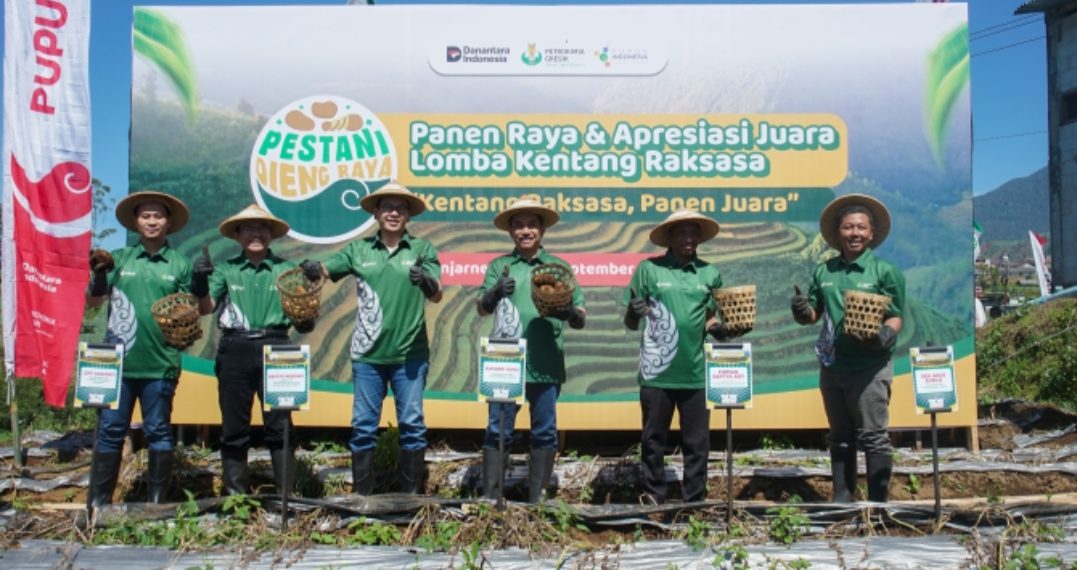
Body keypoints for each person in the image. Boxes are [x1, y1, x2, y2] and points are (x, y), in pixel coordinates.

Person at [301, 181, 441, 495]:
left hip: (410, 356)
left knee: (413, 428)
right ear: (376, 213)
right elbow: (326, 269)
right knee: (364, 428)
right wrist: (313, 268)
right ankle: (362, 500)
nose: (394, 213)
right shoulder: (358, 250)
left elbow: (438, 294)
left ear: (408, 216)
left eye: (401, 208)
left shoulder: (422, 249)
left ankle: (410, 500)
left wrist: (427, 281)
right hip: (368, 357)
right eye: (388, 207)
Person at [622, 209, 744, 504]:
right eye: (682, 232)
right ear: (670, 237)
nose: (689, 238)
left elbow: (712, 319)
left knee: (697, 443)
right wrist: (632, 312)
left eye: (693, 233)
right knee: (653, 440)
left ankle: (695, 500)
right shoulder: (649, 270)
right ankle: (653, 494)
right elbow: (630, 321)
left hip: (696, 372)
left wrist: (721, 331)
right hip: (657, 373)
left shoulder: (709, 273)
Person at [790, 193, 905, 502]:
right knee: (839, 436)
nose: (854, 233)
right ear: (838, 232)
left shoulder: (885, 272)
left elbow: (896, 316)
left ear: (871, 233)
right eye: (848, 227)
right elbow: (814, 315)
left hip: (870, 367)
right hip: (833, 366)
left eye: (861, 228)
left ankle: (878, 504)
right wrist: (801, 310)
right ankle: (843, 499)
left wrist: (886, 334)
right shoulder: (824, 272)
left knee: (874, 436)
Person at [193, 204, 313, 496]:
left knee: (280, 427)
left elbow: (305, 322)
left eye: (262, 228)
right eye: (248, 227)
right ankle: (236, 499)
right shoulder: (226, 270)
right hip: (236, 348)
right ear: (237, 235)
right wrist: (199, 282)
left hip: (278, 346)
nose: (256, 233)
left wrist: (309, 284)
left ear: (271, 234)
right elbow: (206, 308)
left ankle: (286, 499)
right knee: (234, 427)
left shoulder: (287, 271)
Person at [86, 191, 193, 505]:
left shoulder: (180, 264)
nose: (152, 221)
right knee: (110, 430)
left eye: (158, 216)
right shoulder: (118, 259)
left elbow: (191, 311)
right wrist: (100, 273)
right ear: (135, 222)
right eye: (145, 216)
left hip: (161, 364)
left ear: (169, 222)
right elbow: (93, 301)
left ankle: (155, 505)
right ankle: (98, 505)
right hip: (116, 365)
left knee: (159, 431)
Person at [476, 198, 586, 502]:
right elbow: (480, 309)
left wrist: (569, 313)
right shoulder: (499, 266)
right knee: (497, 429)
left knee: (545, 430)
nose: (525, 230)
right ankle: (491, 497)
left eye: (532, 224)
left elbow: (581, 316)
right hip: (504, 359)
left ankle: (536, 499)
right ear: (511, 231)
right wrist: (495, 292)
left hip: (546, 360)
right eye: (519, 224)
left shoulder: (559, 268)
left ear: (542, 229)